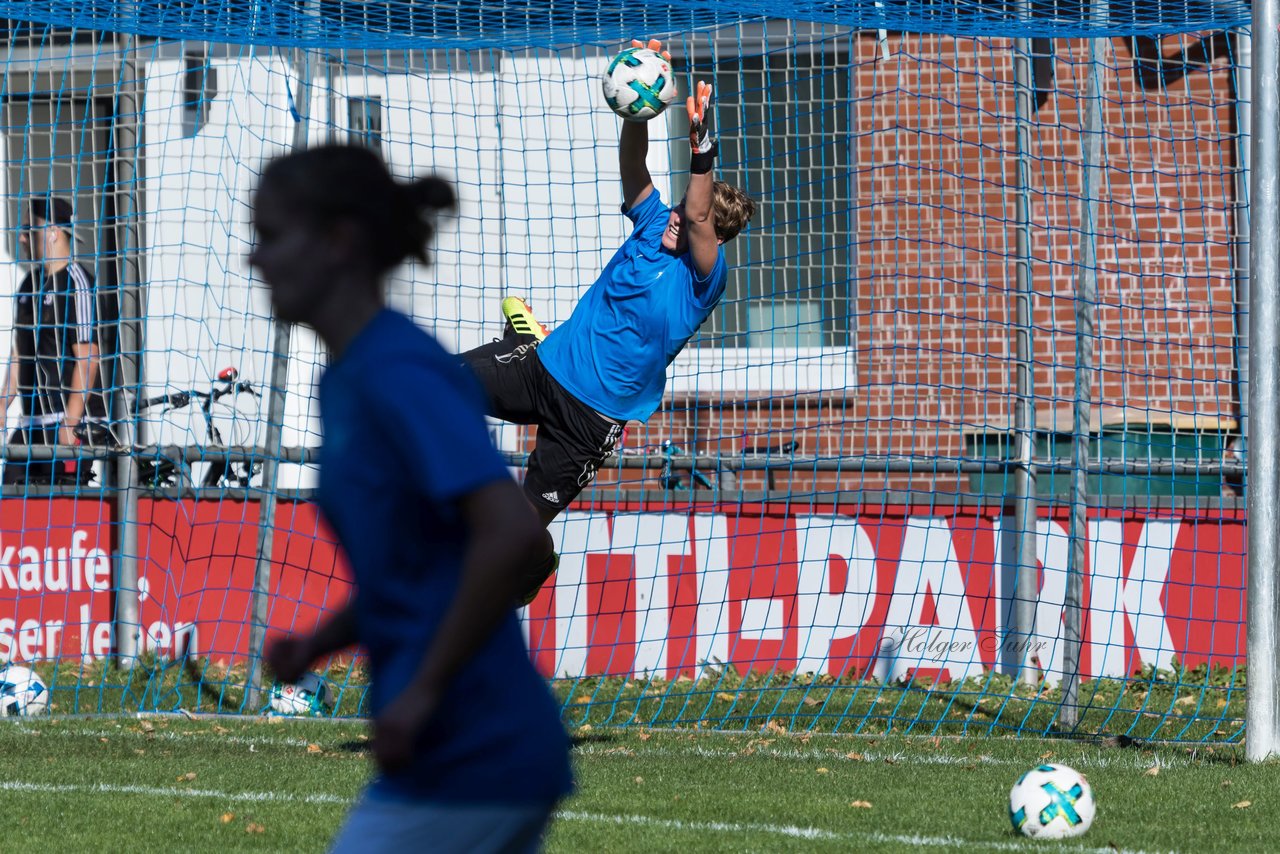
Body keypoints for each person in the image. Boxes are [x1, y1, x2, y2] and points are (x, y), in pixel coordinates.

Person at [253, 144, 572, 853]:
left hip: (475, 742)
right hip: (443, 747)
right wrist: (318, 644)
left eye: (272, 236)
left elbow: (511, 535)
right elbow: (416, 568)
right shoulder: (345, 380)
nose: (255, 260)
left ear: (338, 242)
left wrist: (425, 688)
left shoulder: (401, 370)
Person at [461, 38, 757, 604]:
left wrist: (700, 145)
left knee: (518, 544)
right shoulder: (654, 226)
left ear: (712, 240)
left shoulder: (703, 280)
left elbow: (697, 211)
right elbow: (633, 166)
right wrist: (640, 106)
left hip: (590, 422)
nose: (677, 218)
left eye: (692, 223)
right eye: (676, 212)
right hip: (544, 368)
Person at [0, 196, 112, 484]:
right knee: (11, 505)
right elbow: (19, 354)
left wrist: (70, 423)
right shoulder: (28, 285)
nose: (22, 239)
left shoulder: (78, 284)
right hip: (32, 424)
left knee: (60, 516)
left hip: (71, 424)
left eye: (29, 230)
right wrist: (2, 403)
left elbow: (87, 359)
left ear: (53, 232)